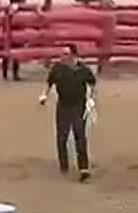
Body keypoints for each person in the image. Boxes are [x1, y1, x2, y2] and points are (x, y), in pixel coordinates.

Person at [39, 43, 96, 181]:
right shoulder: (57, 69)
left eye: (65, 54)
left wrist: (91, 99)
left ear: (73, 55)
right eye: (62, 54)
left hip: (79, 106)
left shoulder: (84, 70)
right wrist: (44, 95)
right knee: (62, 136)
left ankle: (84, 168)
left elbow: (92, 84)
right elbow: (50, 83)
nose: (62, 57)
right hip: (63, 106)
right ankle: (63, 164)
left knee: (80, 136)